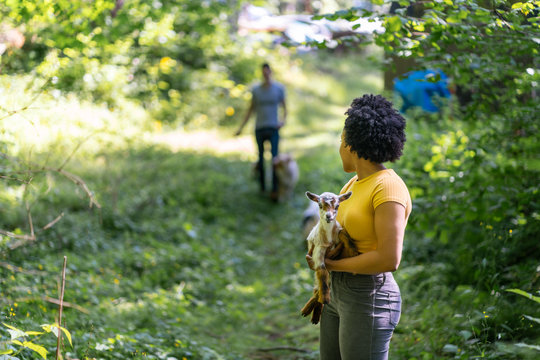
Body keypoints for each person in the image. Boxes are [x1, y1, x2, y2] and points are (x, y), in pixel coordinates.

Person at [306, 94, 412, 360]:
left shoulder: (388, 187)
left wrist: (331, 266)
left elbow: (389, 258)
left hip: (368, 296)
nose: (339, 148)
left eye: (341, 142)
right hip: (336, 292)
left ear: (352, 145)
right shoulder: (351, 185)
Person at [235, 63, 287, 201]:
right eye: (264, 73)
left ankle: (275, 190)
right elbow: (250, 109)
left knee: (275, 159)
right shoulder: (256, 90)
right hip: (259, 128)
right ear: (262, 73)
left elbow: (284, 107)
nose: (266, 75)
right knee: (261, 159)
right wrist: (241, 128)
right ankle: (263, 187)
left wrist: (282, 121)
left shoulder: (279, 89)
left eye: (268, 72)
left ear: (271, 72)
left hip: (273, 128)